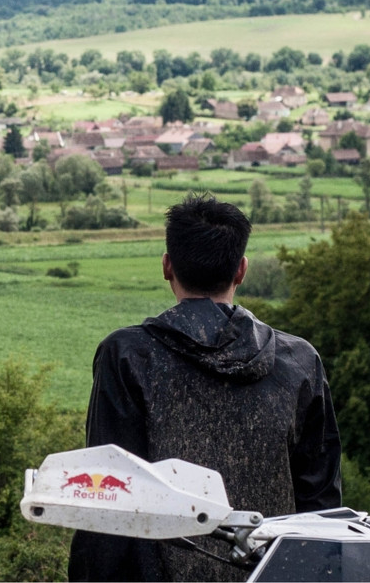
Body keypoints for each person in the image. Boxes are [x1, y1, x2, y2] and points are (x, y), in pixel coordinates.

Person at [68, 194, 342, 582]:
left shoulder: (128, 356)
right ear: (241, 271)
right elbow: (321, 509)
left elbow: (108, 498)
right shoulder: (299, 362)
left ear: (167, 266)